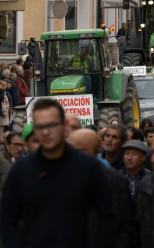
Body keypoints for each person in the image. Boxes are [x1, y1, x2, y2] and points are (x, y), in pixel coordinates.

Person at [0, 98, 118, 248]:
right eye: (40, 126)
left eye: (52, 125)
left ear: (63, 127)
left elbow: (107, 216)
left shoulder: (89, 167)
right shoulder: (20, 171)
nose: (46, 132)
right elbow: (8, 221)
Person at [67, 128, 139, 248]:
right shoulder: (62, 176)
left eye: (73, 149)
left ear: (88, 152)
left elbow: (127, 225)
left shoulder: (115, 180)